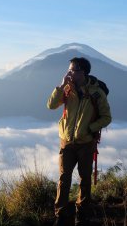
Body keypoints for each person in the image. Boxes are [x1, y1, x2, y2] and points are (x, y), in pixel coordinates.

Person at [47, 57, 112, 226]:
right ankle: (60, 215)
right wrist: (61, 86)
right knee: (64, 177)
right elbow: (51, 105)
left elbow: (107, 117)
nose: (69, 73)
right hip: (66, 142)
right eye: (69, 69)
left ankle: (81, 215)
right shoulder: (67, 89)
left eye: (72, 70)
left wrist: (91, 129)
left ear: (82, 72)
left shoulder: (96, 92)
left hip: (85, 143)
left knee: (84, 178)